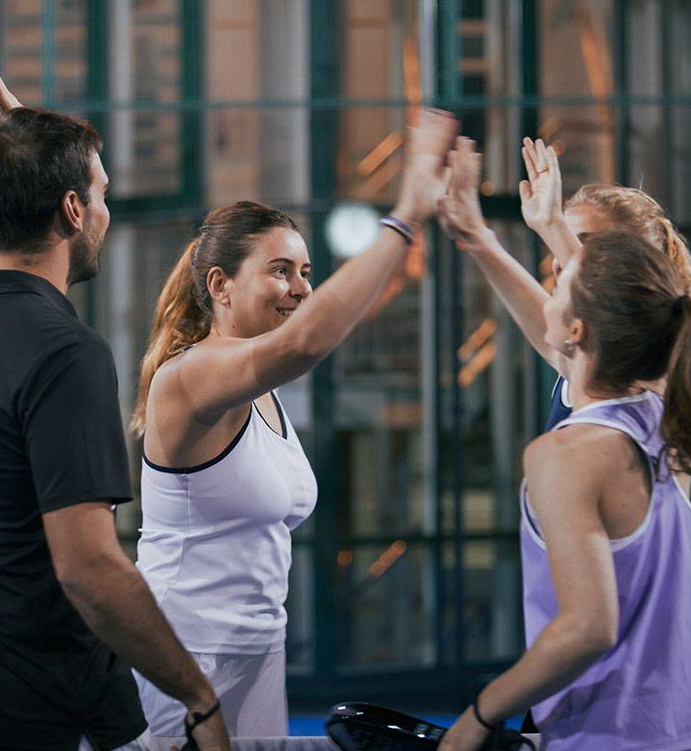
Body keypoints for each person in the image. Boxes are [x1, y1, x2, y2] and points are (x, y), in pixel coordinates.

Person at [129, 111, 459, 746]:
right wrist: (406, 215)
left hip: (259, 644)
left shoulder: (262, 390)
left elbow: (312, 332)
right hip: (181, 655)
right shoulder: (188, 377)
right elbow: (310, 341)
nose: (300, 289)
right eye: (281, 271)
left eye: (306, 272)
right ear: (219, 285)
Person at [0, 59, 230, 751]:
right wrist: (196, 697)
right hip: (54, 720)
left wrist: (25, 150)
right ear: (73, 211)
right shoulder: (67, 355)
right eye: (98, 194)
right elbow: (90, 569)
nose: (106, 209)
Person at [439, 135, 691, 707]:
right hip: (615, 674)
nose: (561, 262)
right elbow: (555, 322)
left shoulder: (655, 372)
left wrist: (554, 228)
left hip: (659, 672)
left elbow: (612, 304)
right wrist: (479, 238)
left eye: (588, 247)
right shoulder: (594, 368)